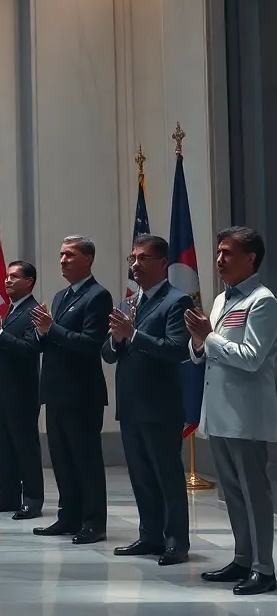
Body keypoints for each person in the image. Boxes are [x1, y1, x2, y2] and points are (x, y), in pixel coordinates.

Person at [187, 226, 277, 595]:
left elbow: (253, 358)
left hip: (246, 415)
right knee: (232, 493)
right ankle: (242, 558)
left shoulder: (263, 300)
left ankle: (264, 567)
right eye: (218, 252)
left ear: (250, 258)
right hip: (220, 413)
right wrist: (197, 343)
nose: (219, 260)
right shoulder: (223, 300)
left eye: (227, 253)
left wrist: (208, 336)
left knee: (254, 492)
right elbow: (210, 352)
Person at [102, 235, 193, 566]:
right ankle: (149, 535)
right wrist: (115, 339)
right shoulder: (128, 304)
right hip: (130, 405)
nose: (135, 264)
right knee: (140, 475)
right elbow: (109, 354)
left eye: (143, 258)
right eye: (132, 259)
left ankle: (176, 541)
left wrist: (134, 335)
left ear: (162, 264)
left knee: (166, 475)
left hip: (160, 406)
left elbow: (176, 349)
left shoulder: (177, 302)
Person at [31, 235, 113, 545]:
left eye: (70, 255)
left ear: (88, 259)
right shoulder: (59, 297)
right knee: (62, 459)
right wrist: (40, 332)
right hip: (55, 392)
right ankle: (68, 516)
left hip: (82, 393)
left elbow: (90, 344)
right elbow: (51, 340)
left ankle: (93, 522)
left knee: (85, 460)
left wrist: (50, 328)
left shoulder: (98, 296)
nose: (63, 260)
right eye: (61, 255)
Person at [0, 259, 43, 519]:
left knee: (25, 449)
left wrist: (0, 334)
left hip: (21, 393)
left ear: (29, 282)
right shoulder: (11, 310)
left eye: (14, 277)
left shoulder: (33, 311)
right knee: (3, 448)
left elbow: (29, 349)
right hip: (0, 391)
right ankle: (8, 496)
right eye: (7, 276)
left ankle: (32, 500)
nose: (7, 281)